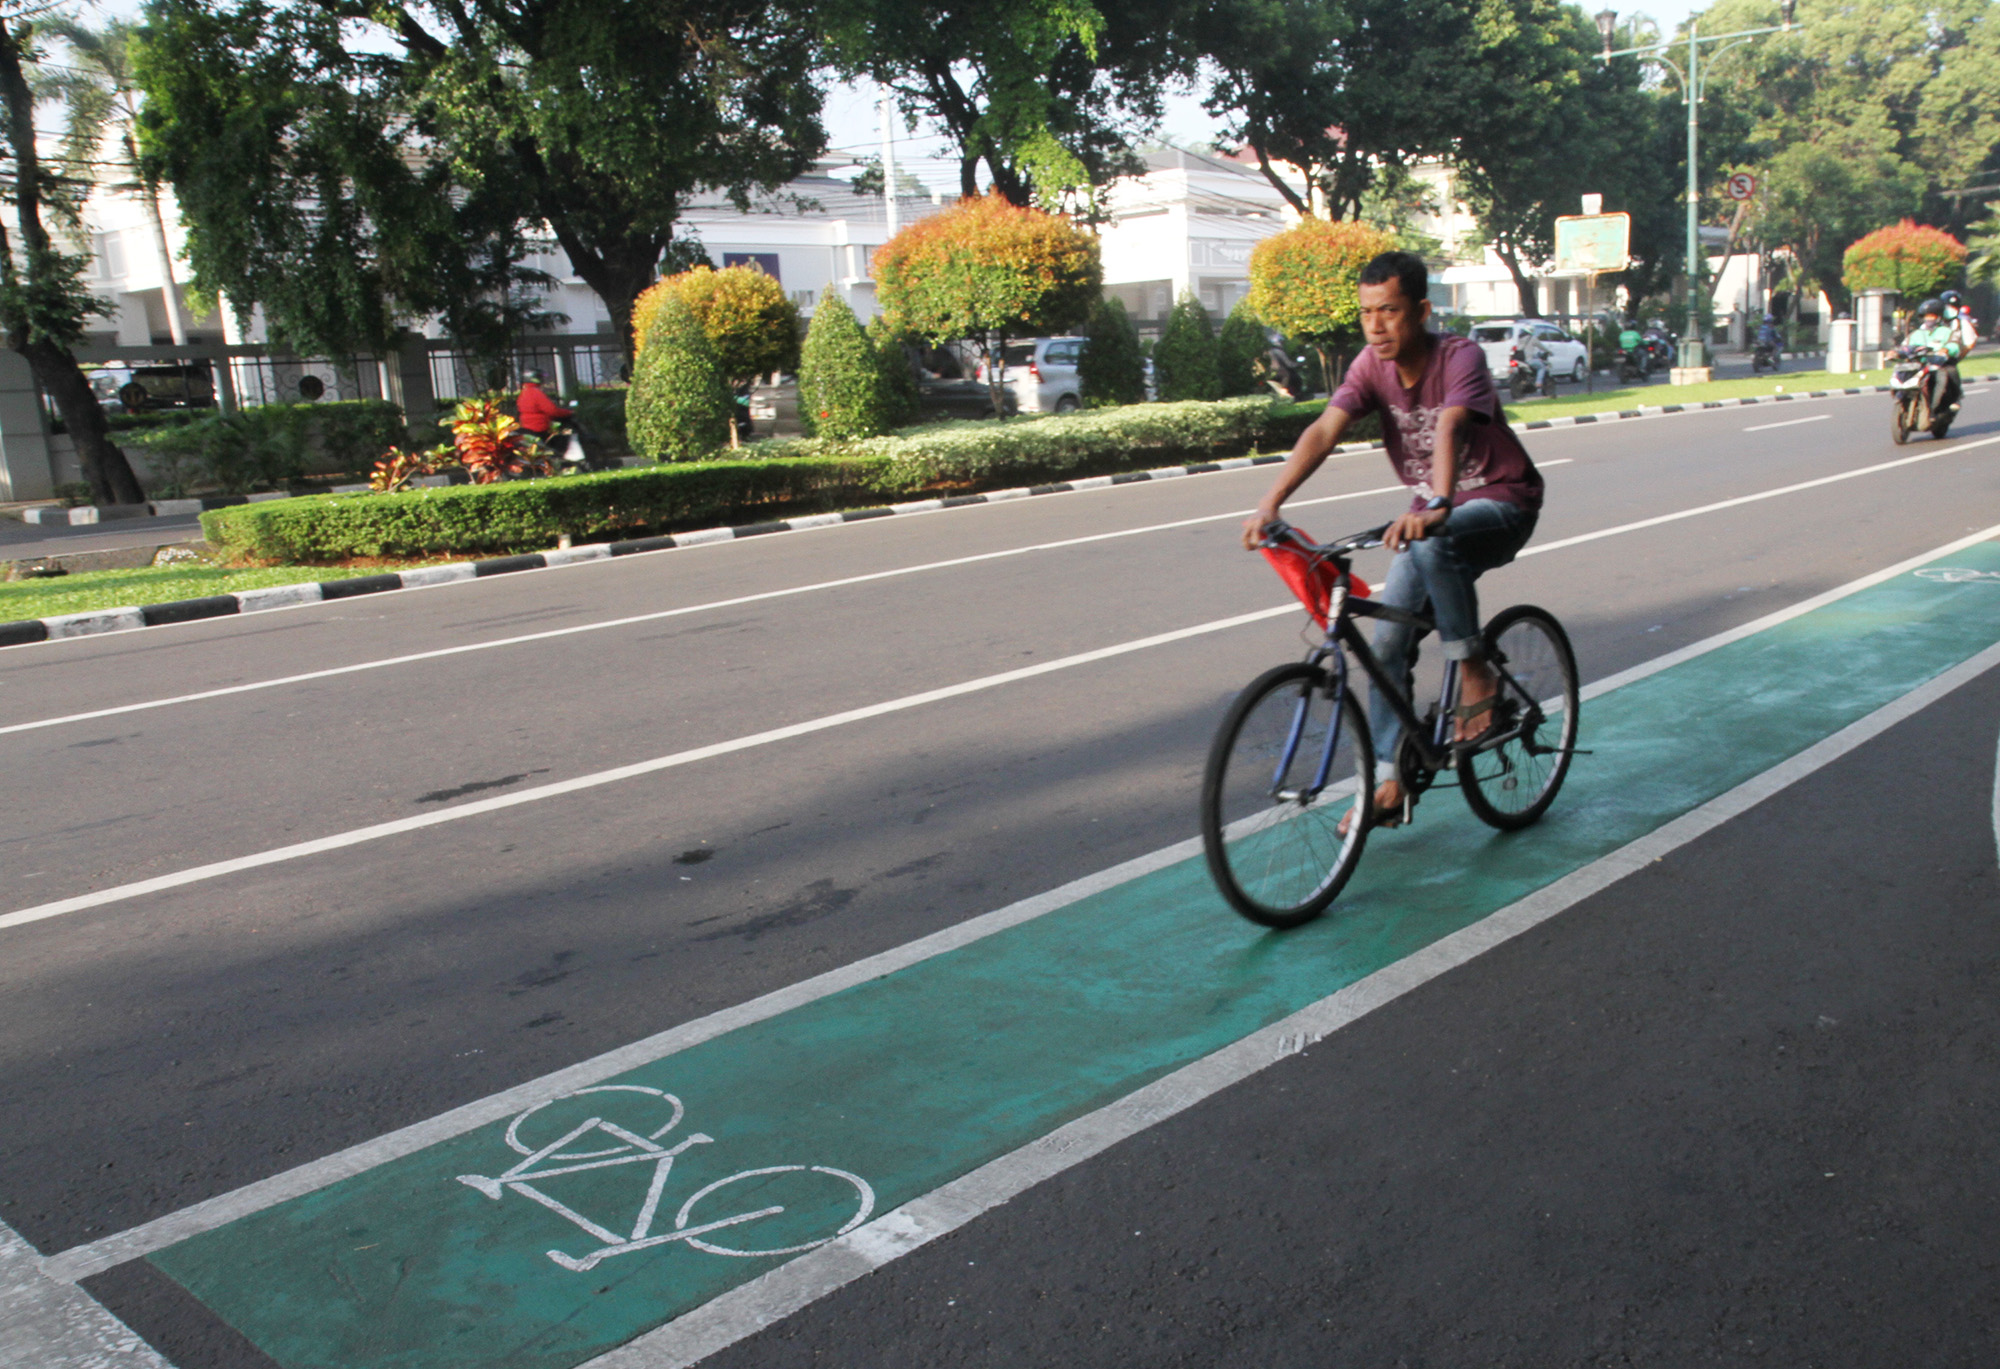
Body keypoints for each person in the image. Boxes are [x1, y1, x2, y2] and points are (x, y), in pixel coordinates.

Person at [1241, 251, 1544, 830]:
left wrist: (1438, 502)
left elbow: (1453, 423)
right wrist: (1270, 503)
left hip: (1502, 501)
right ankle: (1389, 780)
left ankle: (1474, 668)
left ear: (1422, 311)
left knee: (1430, 543)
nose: (1376, 326)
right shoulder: (1368, 366)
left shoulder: (1460, 356)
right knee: (1386, 646)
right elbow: (1325, 429)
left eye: (1390, 311)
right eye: (1366, 313)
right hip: (1433, 512)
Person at [1901, 297, 1964, 418]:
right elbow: (1905, 346)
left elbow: (1955, 345)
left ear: (1939, 317)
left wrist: (1946, 349)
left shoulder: (1947, 332)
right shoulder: (1916, 334)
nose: (1929, 319)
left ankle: (1944, 404)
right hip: (1919, 365)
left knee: (1948, 374)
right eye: (1926, 316)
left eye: (1932, 316)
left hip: (1939, 364)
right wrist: (1895, 352)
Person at [516, 368, 571, 439]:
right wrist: (567, 412)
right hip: (539, 428)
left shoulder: (524, 393)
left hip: (527, 427)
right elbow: (552, 411)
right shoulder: (536, 393)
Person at [1942, 289, 1978, 354]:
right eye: (1947, 306)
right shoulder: (1939, 322)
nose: (1948, 309)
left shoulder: (1963, 321)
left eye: (1952, 306)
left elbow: (1969, 343)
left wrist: (1957, 357)